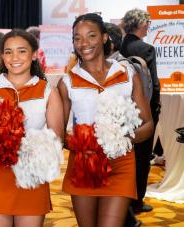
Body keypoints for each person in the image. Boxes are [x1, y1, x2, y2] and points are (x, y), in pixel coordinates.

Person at [58, 13, 153, 227]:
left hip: (121, 163)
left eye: (91, 36)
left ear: (104, 37)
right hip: (84, 163)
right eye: (77, 38)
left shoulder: (127, 74)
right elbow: (58, 135)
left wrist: (123, 137)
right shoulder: (67, 82)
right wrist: (83, 141)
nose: (84, 43)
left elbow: (147, 125)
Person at [0, 29, 64, 227]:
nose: (14, 57)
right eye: (8, 51)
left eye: (22, 51)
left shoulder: (48, 91)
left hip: (32, 178)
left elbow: (57, 140)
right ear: (1, 55)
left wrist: (26, 145)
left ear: (33, 55)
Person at [120, 8, 161, 213]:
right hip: (143, 111)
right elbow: (153, 85)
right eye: (147, 22)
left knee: (123, 155)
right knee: (142, 157)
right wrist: (155, 110)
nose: (149, 26)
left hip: (120, 109)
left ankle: (123, 199)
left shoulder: (117, 46)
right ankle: (137, 201)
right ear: (140, 24)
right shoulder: (146, 49)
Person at [104, 21, 142, 227]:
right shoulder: (84, 70)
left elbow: (140, 109)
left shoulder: (126, 68)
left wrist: (123, 134)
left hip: (120, 145)